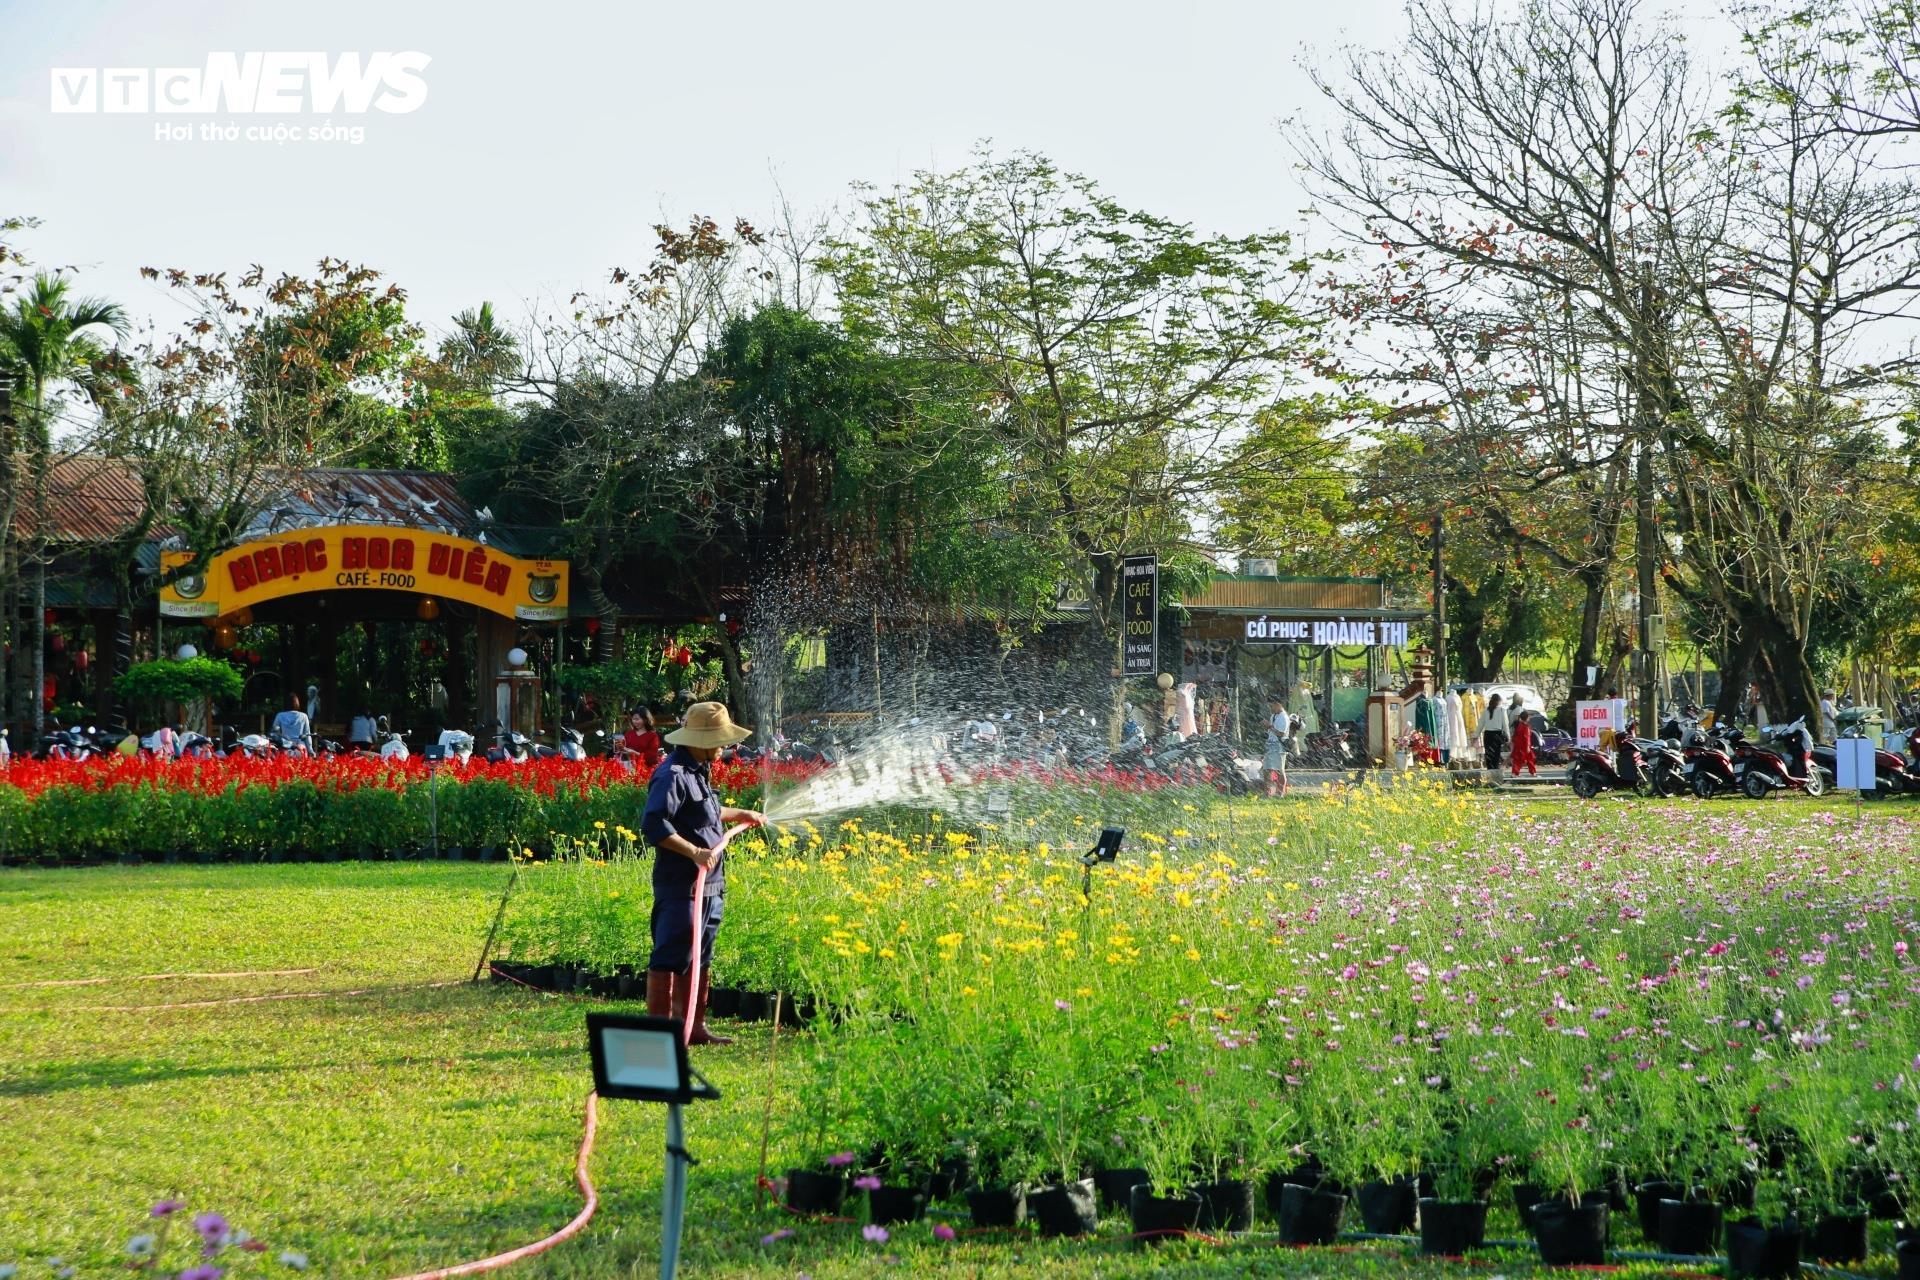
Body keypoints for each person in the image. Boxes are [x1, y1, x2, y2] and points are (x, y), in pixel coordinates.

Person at [642, 701, 765, 1047]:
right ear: (701, 740)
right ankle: (661, 1036)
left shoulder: (698, 770)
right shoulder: (671, 775)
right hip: (681, 884)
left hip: (710, 885)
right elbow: (654, 825)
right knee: (671, 955)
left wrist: (741, 813)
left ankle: (694, 1028)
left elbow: (705, 812)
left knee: (701, 954)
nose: (725, 746)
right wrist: (694, 852)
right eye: (720, 740)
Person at [1265, 692, 1293, 798]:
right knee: (1266, 769)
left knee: (1279, 770)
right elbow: (1271, 730)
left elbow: (1281, 733)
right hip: (1270, 744)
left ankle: (1280, 792)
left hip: (1278, 746)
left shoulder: (1283, 717)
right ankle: (1268, 793)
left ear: (1277, 704)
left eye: (1271, 706)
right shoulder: (1274, 716)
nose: (1270, 708)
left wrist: (1269, 726)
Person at [622, 707, 665, 773]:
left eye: (637, 719)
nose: (634, 721)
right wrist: (620, 748)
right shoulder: (628, 734)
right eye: (633, 719)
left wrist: (634, 753)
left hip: (645, 771)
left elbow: (652, 757)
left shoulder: (652, 736)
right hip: (627, 769)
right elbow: (622, 750)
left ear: (645, 719)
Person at [1482, 693, 1510, 774]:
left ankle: (1489, 771)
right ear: (1499, 701)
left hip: (1487, 734)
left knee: (1488, 754)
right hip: (1497, 734)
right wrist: (1508, 737)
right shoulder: (1502, 710)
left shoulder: (1486, 710)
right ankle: (1495, 771)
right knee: (1496, 754)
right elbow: (1505, 725)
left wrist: (1475, 735)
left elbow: (1481, 724)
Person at [1509, 704, 1538, 777]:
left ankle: (1514, 773)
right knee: (1530, 759)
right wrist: (1528, 746)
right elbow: (1527, 737)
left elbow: (1515, 736)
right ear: (1527, 718)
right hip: (1525, 746)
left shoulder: (1519, 726)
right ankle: (1533, 772)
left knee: (1517, 760)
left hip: (1518, 746)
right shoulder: (1526, 727)